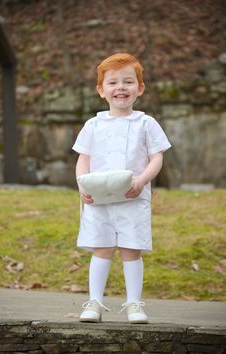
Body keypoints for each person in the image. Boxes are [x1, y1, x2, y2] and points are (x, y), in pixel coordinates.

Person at [72, 53, 171, 323]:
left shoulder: (146, 123)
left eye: (128, 82)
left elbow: (157, 158)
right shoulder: (93, 125)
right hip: (98, 198)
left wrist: (141, 181)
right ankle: (94, 302)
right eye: (113, 83)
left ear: (139, 88)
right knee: (101, 248)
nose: (120, 88)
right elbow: (84, 159)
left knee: (131, 249)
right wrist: (82, 185)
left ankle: (134, 304)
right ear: (101, 90)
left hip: (133, 196)